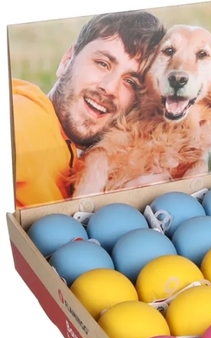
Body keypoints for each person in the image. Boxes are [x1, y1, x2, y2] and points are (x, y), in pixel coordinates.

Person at [12, 10, 165, 209]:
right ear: (67, 60)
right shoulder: (27, 116)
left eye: (130, 82)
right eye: (103, 64)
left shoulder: (122, 162)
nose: (109, 88)